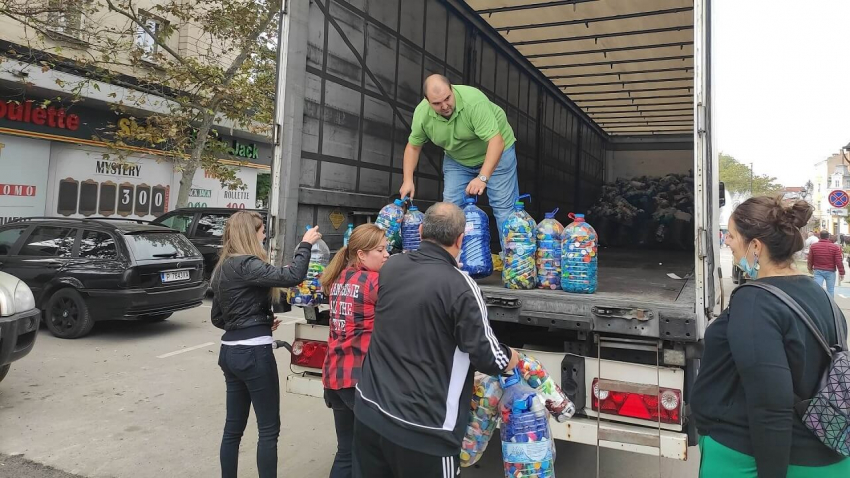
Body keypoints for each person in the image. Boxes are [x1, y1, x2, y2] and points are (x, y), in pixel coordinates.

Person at [353, 202, 520, 478]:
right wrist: (513, 356)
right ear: (461, 240)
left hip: (370, 412)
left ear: (420, 231)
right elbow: (489, 357)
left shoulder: (392, 266)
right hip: (425, 432)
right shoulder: (461, 286)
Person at [692, 197, 850, 478]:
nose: (727, 242)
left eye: (731, 235)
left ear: (756, 246)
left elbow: (770, 405)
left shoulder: (755, 302)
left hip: (752, 458)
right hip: (825, 453)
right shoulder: (820, 295)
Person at [211, 211, 322, 478]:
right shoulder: (248, 264)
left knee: (232, 429)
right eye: (262, 233)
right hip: (253, 354)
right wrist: (305, 244)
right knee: (268, 429)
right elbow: (294, 275)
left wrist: (256, 322)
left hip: (229, 353)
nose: (264, 237)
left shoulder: (223, 267)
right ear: (252, 234)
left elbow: (217, 318)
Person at [398, 74, 519, 244]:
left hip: (497, 152)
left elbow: (496, 141)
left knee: (503, 208)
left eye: (447, 98)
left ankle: (513, 263)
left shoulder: (474, 102)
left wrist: (482, 177)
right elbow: (413, 146)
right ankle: (451, 262)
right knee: (450, 209)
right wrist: (408, 180)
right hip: (457, 159)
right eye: (437, 103)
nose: (445, 106)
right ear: (427, 100)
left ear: (452, 89)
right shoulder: (422, 114)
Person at [319, 224, 389, 478]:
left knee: (346, 452)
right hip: (359, 381)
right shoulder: (374, 281)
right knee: (372, 457)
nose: (386, 255)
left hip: (335, 378)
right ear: (361, 254)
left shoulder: (338, 278)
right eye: (380, 250)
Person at [808, 230, 845, 296]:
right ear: (828, 237)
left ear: (820, 236)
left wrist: (810, 268)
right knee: (830, 290)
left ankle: (818, 304)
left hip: (818, 270)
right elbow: (838, 260)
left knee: (817, 289)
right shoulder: (835, 247)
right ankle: (830, 305)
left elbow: (810, 258)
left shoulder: (813, 246)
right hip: (830, 271)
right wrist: (841, 272)